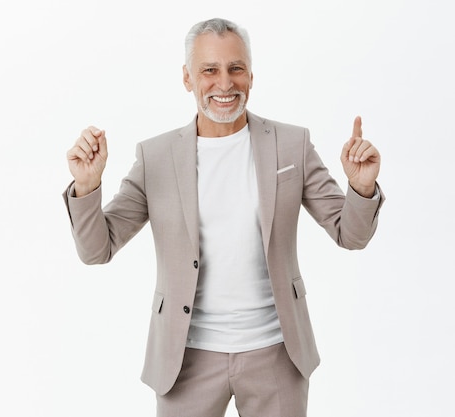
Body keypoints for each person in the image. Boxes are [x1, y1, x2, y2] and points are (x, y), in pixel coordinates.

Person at [63, 17, 384, 417]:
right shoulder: (156, 157)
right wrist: (87, 186)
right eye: (209, 70)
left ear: (251, 75)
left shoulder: (292, 144)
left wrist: (362, 188)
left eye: (236, 69)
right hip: (185, 360)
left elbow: (350, 234)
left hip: (277, 355)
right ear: (187, 78)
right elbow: (96, 249)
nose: (225, 84)